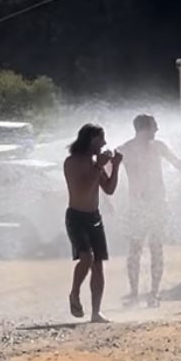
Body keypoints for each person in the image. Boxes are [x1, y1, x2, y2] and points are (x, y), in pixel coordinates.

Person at [117, 113, 181, 307]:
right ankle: (134, 292)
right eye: (154, 126)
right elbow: (106, 170)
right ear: (144, 128)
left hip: (158, 204)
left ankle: (154, 293)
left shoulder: (158, 146)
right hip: (137, 205)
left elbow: (178, 163)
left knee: (156, 247)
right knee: (135, 249)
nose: (157, 130)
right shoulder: (124, 149)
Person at [63, 123, 122, 323]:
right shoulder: (72, 162)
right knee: (86, 257)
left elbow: (109, 189)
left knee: (98, 265)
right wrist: (98, 166)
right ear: (90, 140)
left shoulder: (95, 162)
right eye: (101, 139)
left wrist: (115, 167)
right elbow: (81, 188)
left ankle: (96, 312)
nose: (104, 143)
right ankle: (74, 293)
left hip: (94, 217)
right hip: (76, 216)